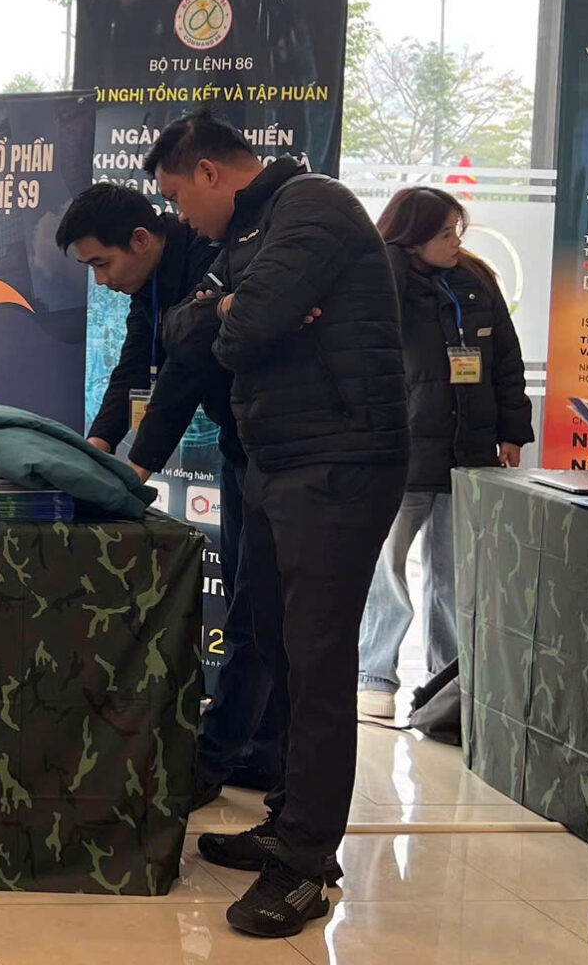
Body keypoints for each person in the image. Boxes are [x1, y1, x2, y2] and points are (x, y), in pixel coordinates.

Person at [149, 111, 407, 939]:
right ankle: (288, 817)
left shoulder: (313, 206)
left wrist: (236, 310)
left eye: (178, 197)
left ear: (210, 172)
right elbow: (186, 333)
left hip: (339, 462)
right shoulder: (250, 232)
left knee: (319, 660)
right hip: (277, 460)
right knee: (280, 646)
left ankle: (306, 864)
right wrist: (229, 306)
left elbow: (245, 330)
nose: (182, 218)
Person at [55, 181, 281, 804]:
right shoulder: (151, 285)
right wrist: (95, 447)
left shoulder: (211, 263)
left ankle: (214, 760)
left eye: (102, 263)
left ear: (141, 239)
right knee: (251, 601)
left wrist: (137, 468)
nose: (101, 281)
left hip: (272, 451)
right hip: (240, 447)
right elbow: (134, 365)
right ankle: (262, 752)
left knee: (254, 609)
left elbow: (186, 374)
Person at [355, 187, 531, 722]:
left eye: (458, 230)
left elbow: (506, 359)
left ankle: (445, 684)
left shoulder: (476, 279)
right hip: (402, 453)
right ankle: (375, 675)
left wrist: (513, 431)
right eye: (445, 233)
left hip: (468, 453)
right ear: (412, 238)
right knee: (386, 569)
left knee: (454, 576)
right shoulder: (384, 278)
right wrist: (389, 254)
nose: (456, 242)